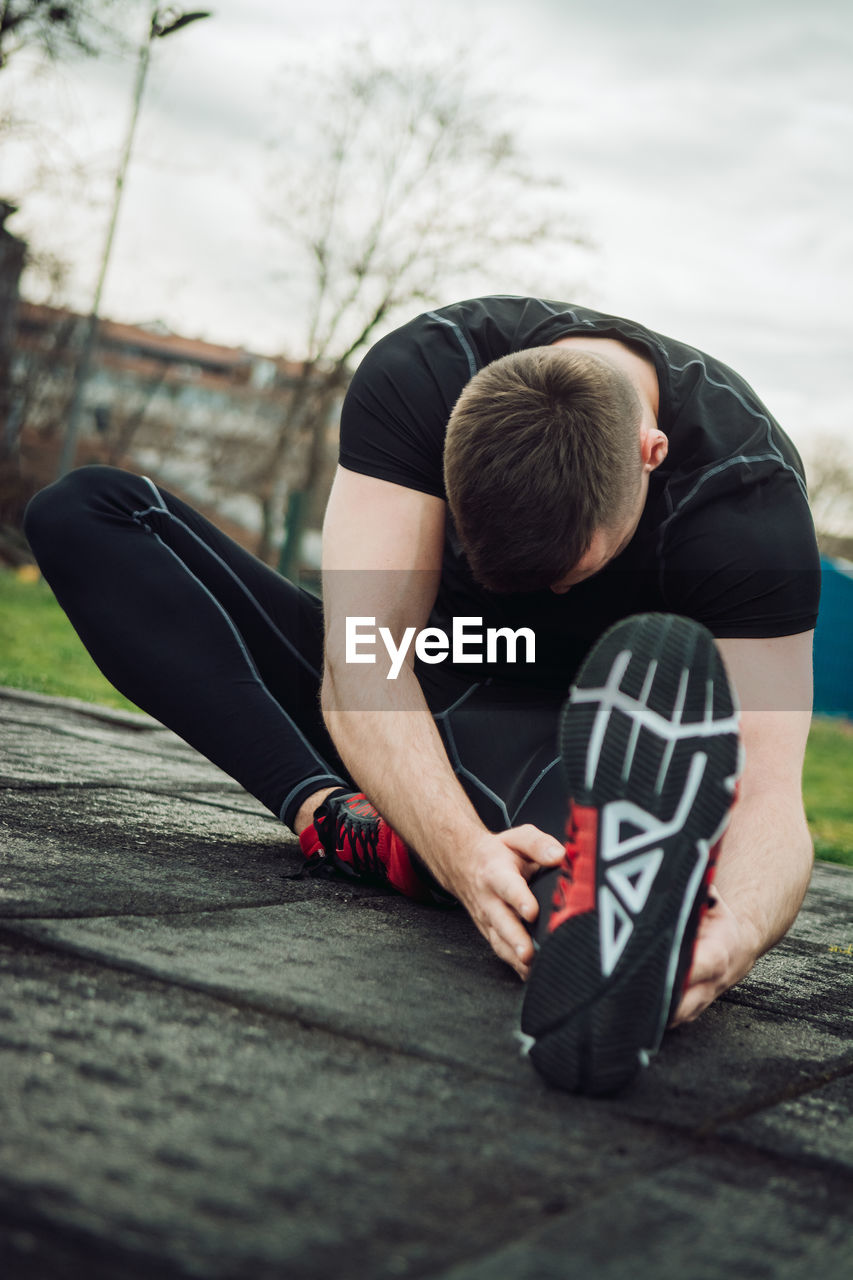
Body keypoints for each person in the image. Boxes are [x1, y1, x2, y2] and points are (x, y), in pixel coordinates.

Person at [24, 295, 821, 1095]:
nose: (538, 593)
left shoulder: (742, 501)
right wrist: (461, 854)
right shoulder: (426, 372)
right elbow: (364, 660)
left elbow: (767, 796)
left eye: (563, 575)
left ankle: (596, 921)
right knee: (87, 510)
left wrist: (735, 935)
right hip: (405, 668)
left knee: (573, 876)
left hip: (548, 745)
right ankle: (345, 822)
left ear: (652, 454)